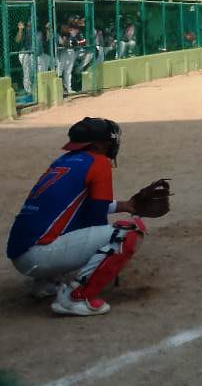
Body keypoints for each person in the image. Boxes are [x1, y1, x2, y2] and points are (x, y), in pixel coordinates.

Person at [6, 118, 146, 316]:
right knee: (128, 233)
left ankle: (46, 283)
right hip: (40, 256)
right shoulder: (98, 162)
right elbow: (95, 217)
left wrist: (126, 205)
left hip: (21, 254)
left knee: (65, 222)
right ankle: (75, 298)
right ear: (96, 144)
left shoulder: (63, 162)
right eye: (108, 140)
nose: (111, 144)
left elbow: (76, 206)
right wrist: (109, 256)